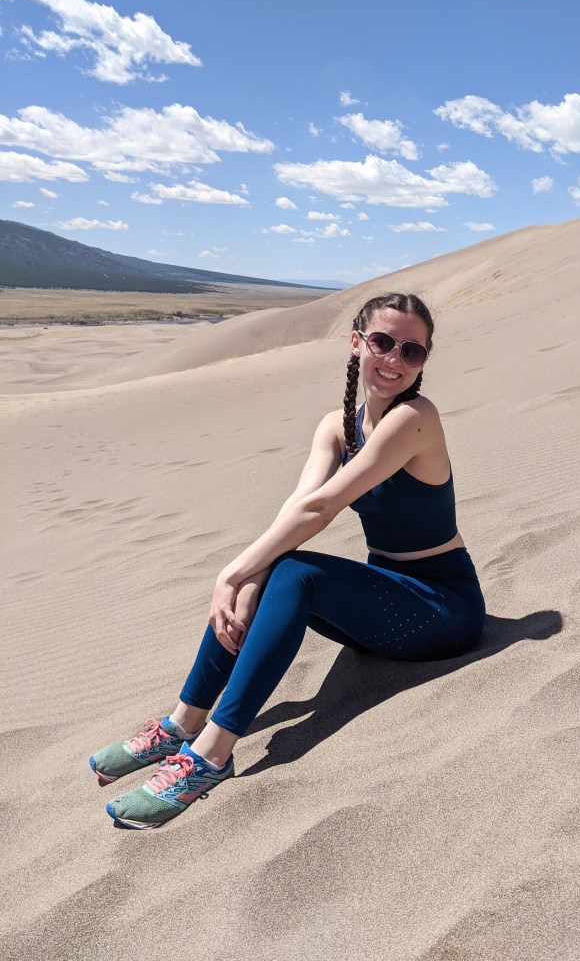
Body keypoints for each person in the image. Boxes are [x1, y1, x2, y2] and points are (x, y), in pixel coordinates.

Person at [90, 292, 486, 828]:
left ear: (423, 361)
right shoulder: (336, 426)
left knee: (293, 572)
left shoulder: (415, 418)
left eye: (411, 351)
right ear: (356, 343)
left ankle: (210, 756)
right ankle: (181, 724)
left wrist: (231, 572)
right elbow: (297, 506)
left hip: (443, 610)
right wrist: (251, 577)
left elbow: (322, 508)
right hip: (389, 600)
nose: (395, 358)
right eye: (383, 341)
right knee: (274, 569)